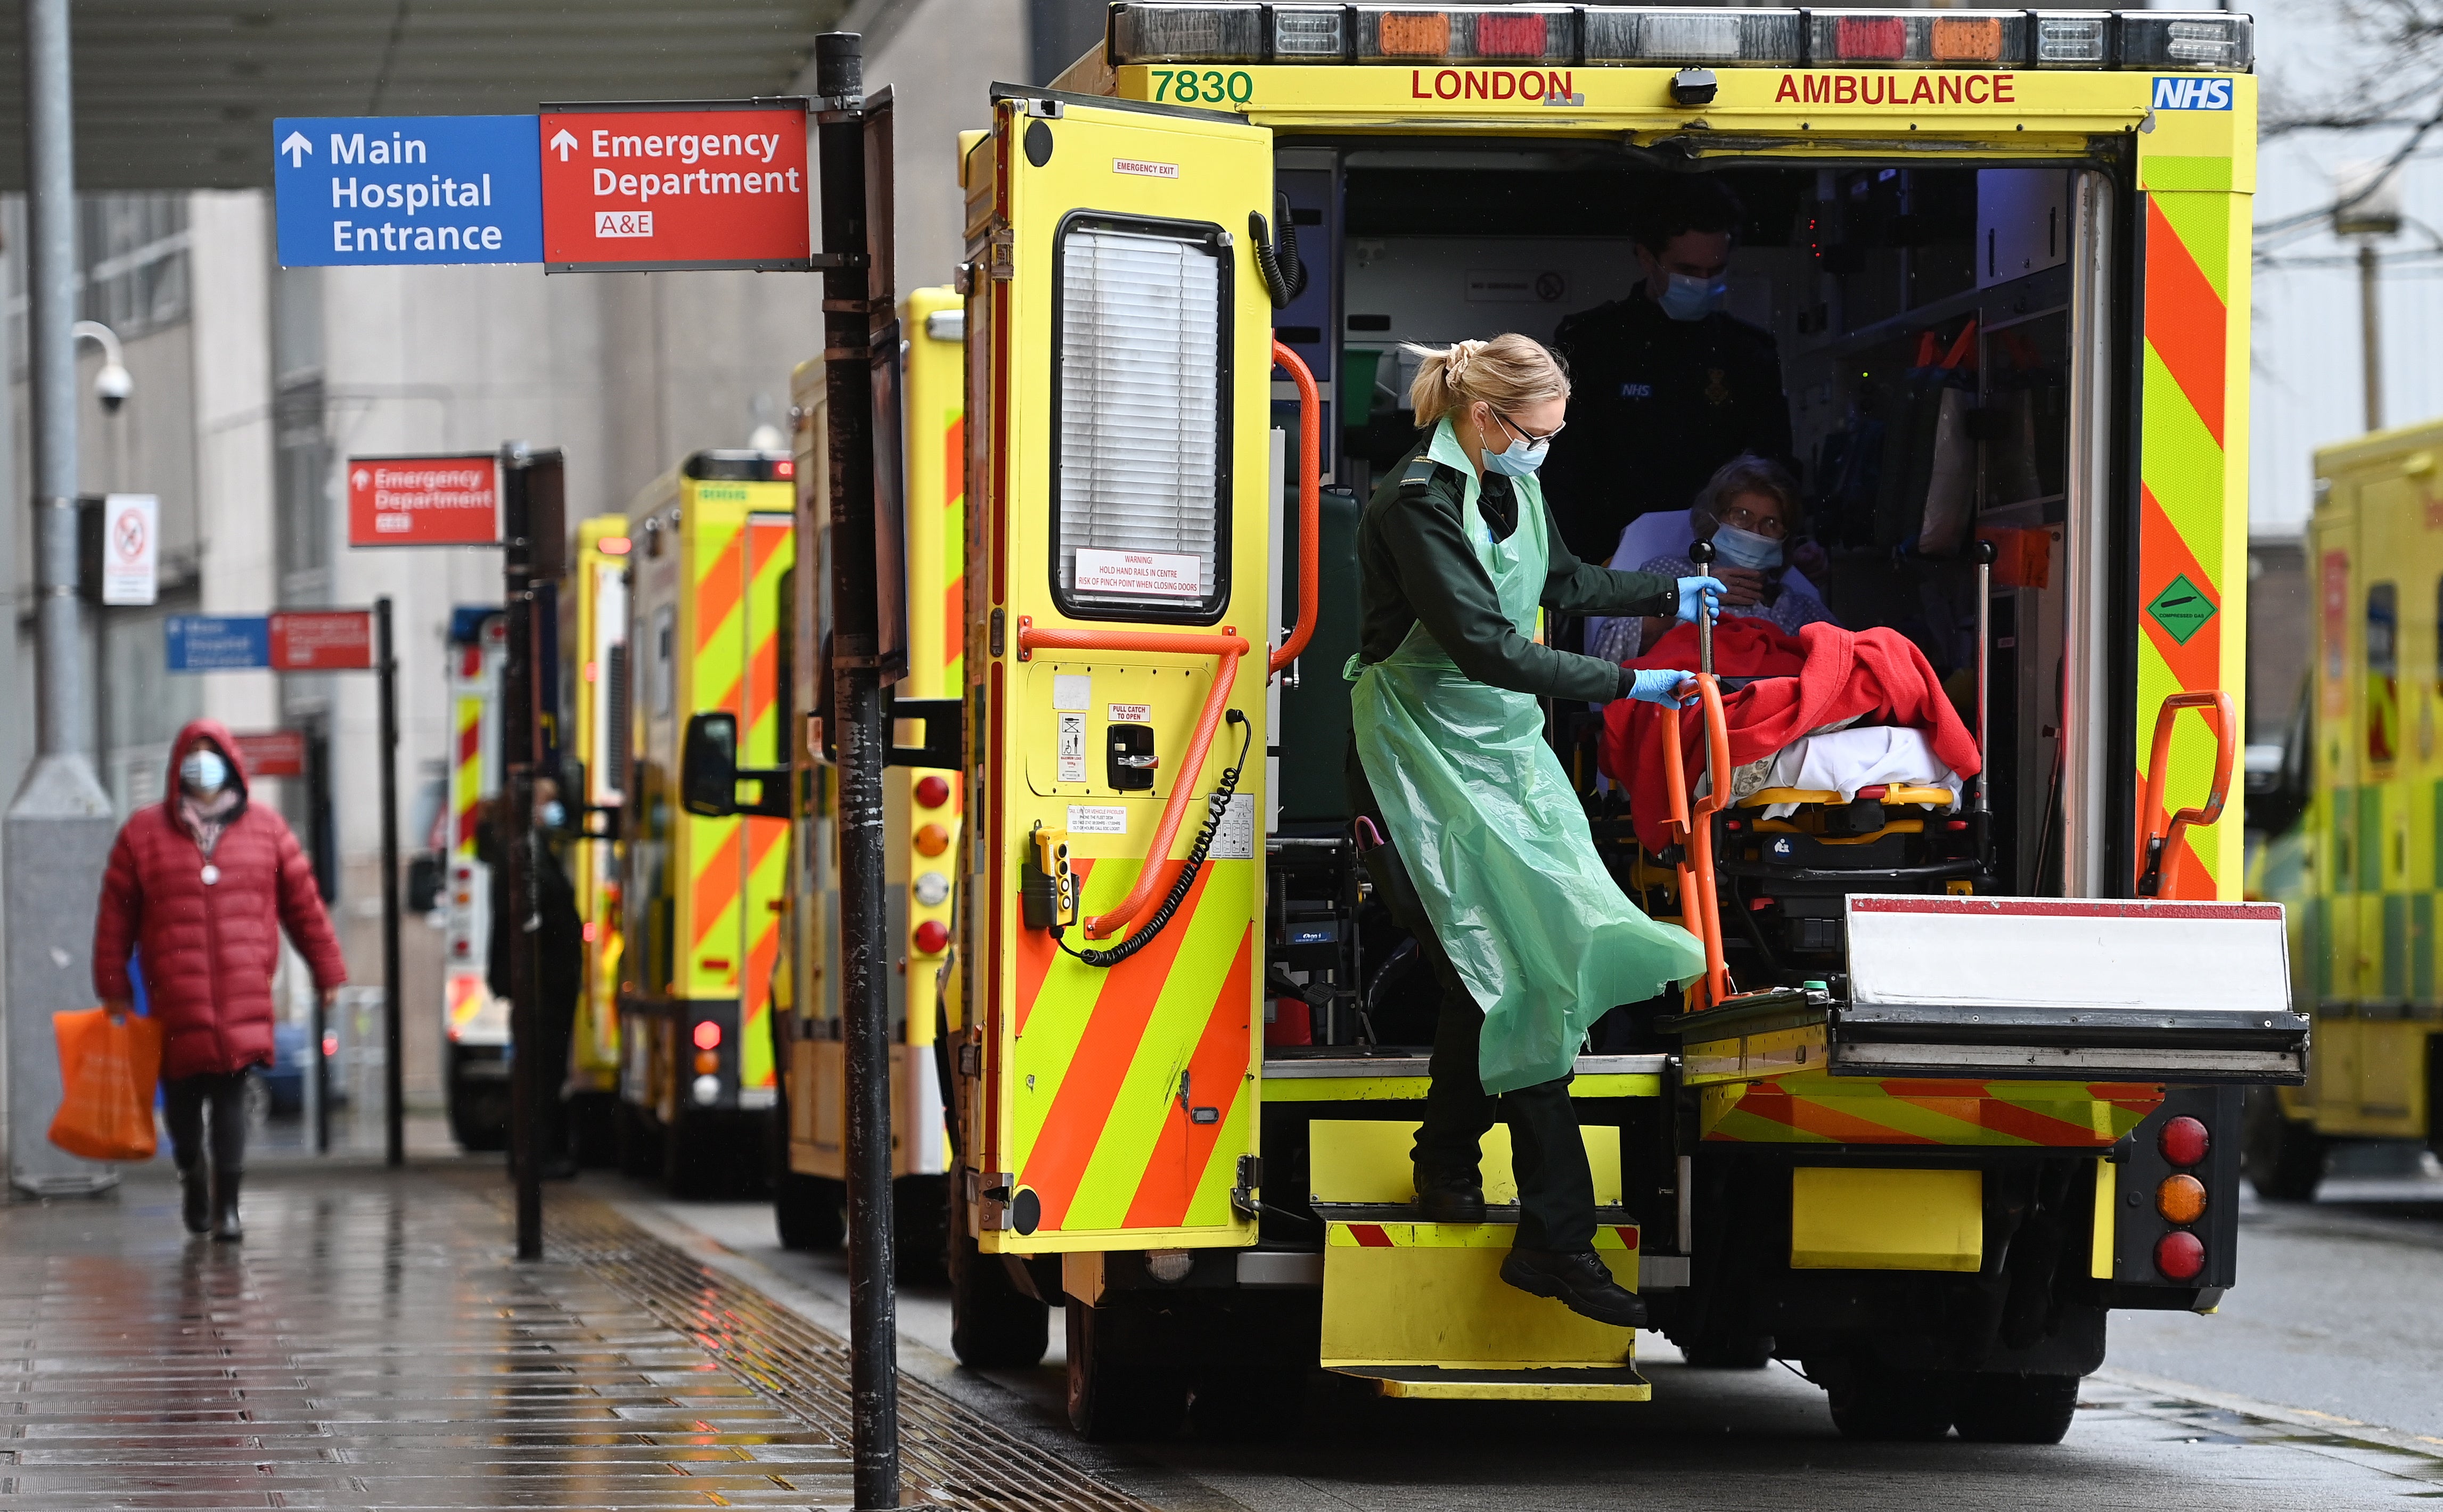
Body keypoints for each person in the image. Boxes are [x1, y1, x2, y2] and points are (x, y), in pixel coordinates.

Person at [1347, 334, 1716, 1329]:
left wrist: (1662, 592)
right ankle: (1555, 1233)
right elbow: (1486, 644)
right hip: (1418, 755)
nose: (1542, 451)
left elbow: (1559, 582)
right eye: (1535, 435)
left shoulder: (1510, 486)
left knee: (1506, 971)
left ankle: (1451, 1173)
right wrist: (1626, 683)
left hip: (1504, 752)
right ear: (1483, 418)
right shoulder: (1411, 505)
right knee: (1503, 972)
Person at [92, 720, 347, 1242]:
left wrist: (327, 970)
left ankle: (228, 1204)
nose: (202, 765)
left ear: (231, 765)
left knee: (231, 1093)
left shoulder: (267, 829)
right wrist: (113, 985)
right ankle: (192, 1174)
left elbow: (305, 908)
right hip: (174, 992)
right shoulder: (143, 834)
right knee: (183, 1098)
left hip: (242, 990)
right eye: (193, 754)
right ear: (177, 767)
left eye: (212, 754)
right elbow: (115, 916)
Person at [1542, 176, 1795, 562]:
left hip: (1722, 560)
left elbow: (1774, 469)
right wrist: (1577, 562)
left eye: (1716, 271)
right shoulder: (1594, 345)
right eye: (1688, 270)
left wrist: (1792, 543)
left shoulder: (1747, 353)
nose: (1703, 283)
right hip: (1611, 560)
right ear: (1647, 258)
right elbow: (1564, 471)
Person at [1589, 454, 1835, 665]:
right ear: (1714, 519)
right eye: (1742, 515)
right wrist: (1684, 601)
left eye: (1771, 524)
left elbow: (1849, 669)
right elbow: (1607, 655)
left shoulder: (1799, 609)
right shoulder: (1665, 574)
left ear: (1785, 538)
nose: (1755, 532)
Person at [485, 775, 582, 1179]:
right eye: (548, 801)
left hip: (547, 983)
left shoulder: (530, 849)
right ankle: (531, 1156)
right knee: (537, 1075)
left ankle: (534, 1154)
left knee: (541, 1073)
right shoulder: (522, 854)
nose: (553, 810)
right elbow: (529, 921)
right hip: (541, 986)